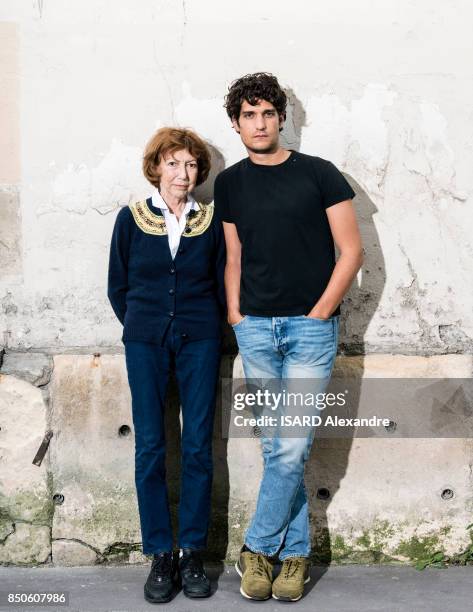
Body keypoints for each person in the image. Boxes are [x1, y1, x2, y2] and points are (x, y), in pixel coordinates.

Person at [214, 73, 363, 602]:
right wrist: (235, 314)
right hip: (254, 329)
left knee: (290, 443)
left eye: (267, 113)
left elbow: (352, 253)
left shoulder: (320, 174)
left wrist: (319, 313)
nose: (259, 123)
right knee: (281, 447)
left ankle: (256, 549)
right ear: (236, 125)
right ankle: (292, 558)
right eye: (248, 115)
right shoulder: (230, 183)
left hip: (309, 332)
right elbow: (232, 256)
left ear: (281, 118)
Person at [107, 127, 226, 603]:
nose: (183, 173)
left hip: (200, 339)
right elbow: (118, 286)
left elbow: (221, 281)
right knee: (151, 445)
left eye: (192, 164)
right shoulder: (130, 219)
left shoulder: (212, 220)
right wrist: (145, 324)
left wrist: (208, 327)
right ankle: (160, 552)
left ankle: (191, 551)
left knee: (198, 444)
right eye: (173, 163)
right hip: (146, 341)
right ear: (156, 167)